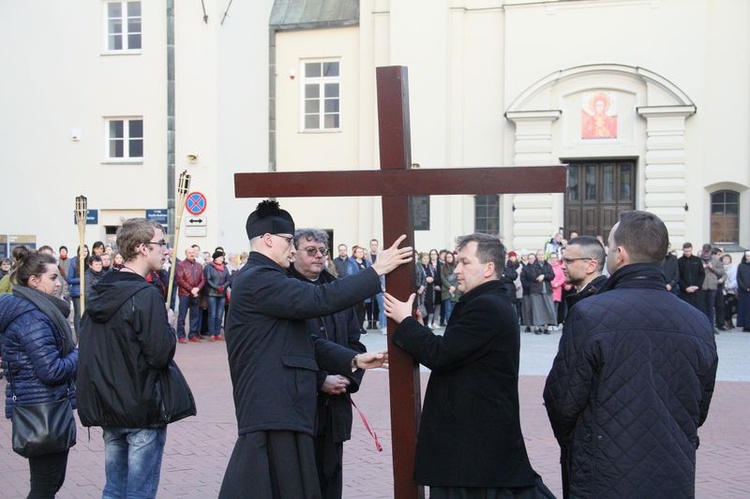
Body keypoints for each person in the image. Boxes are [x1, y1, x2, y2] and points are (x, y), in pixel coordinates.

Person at [218, 199, 411, 499]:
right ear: (268, 240)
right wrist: (376, 270)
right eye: (287, 242)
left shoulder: (268, 279)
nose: (292, 249)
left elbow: (305, 342)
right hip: (272, 409)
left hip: (285, 409)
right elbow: (321, 299)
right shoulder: (259, 279)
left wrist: (355, 359)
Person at [544, 210, 718, 498]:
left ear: (620, 254)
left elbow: (562, 400)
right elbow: (699, 405)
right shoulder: (697, 321)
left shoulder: (590, 314)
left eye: (610, 248)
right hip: (672, 469)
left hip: (603, 471)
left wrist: (581, 442)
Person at [383, 233, 553, 499]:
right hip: (474, 448)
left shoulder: (487, 306)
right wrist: (416, 328)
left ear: (488, 268)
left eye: (465, 263)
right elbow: (457, 350)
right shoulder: (485, 302)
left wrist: (405, 323)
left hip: (473, 450)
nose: (457, 270)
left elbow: (441, 354)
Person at [77, 218, 190, 498]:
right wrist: (170, 326)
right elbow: (160, 353)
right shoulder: (145, 294)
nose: (166, 250)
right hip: (141, 406)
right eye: (161, 244)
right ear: (141, 248)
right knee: (139, 491)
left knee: (114, 488)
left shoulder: (100, 290)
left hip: (109, 404)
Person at [288, 228, 367, 499]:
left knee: (330, 480)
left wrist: (349, 378)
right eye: (311, 251)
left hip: (335, 409)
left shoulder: (338, 291)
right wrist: (320, 380)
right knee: (298, 483)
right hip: (299, 406)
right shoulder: (284, 292)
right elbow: (287, 350)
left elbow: (355, 344)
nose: (319, 256)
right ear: (293, 252)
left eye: (323, 251)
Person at [0, 246, 78, 498]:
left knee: (48, 483)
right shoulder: (33, 317)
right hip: (42, 409)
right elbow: (51, 370)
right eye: (52, 278)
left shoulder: (37, 311)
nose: (59, 283)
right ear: (33, 281)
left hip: (43, 406)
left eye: (59, 277)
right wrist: (80, 352)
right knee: (45, 485)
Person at [561, 236, 608, 310]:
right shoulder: (588, 298)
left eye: (568, 261)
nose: (562, 266)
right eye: (563, 261)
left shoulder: (596, 305)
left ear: (591, 266)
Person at [175, 246, 206, 343]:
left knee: (194, 316)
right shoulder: (180, 265)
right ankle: (181, 335)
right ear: (186, 254)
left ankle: (193, 334)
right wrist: (191, 289)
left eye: (193, 252)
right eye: (189, 252)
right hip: (184, 294)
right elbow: (180, 279)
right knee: (182, 316)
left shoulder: (199, 266)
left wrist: (197, 289)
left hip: (196, 294)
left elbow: (203, 279)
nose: (192, 254)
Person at [521, 251, 555, 334]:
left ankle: (546, 327)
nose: (540, 256)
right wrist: (543, 275)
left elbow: (552, 275)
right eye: (539, 255)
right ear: (537, 256)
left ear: (544, 256)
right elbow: (532, 276)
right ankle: (537, 327)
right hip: (536, 290)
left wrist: (544, 276)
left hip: (546, 289)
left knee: (548, 309)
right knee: (537, 310)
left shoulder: (548, 265)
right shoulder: (532, 266)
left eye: (542, 254)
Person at [204, 250, 230, 341]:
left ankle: (218, 333)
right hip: (211, 293)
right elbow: (208, 279)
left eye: (222, 258)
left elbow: (228, 279)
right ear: (215, 258)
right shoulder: (209, 267)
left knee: (219, 314)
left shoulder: (225, 268)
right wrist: (216, 287)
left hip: (222, 294)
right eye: (220, 257)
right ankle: (212, 334)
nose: (222, 259)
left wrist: (223, 287)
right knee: (213, 313)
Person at [699, 243, 725, 334]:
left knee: (710, 307)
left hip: (712, 286)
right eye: (704, 252)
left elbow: (721, 272)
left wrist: (712, 267)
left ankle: (711, 326)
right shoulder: (698, 260)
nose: (706, 254)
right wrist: (702, 268)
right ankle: (701, 326)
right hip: (701, 286)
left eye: (707, 252)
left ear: (710, 252)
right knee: (701, 307)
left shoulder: (716, 260)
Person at [678, 242, 705, 311]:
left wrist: (697, 286)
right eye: (686, 251)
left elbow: (702, 274)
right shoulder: (679, 261)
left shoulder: (697, 260)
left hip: (697, 291)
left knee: (698, 310)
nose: (687, 253)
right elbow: (678, 276)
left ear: (692, 250)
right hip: (685, 291)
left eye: (689, 251)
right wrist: (685, 287)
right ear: (683, 250)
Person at [737, 250, 750, 332]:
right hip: (743, 291)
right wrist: (745, 288)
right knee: (744, 309)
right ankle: (745, 325)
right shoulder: (741, 266)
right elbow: (739, 278)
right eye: (747, 256)